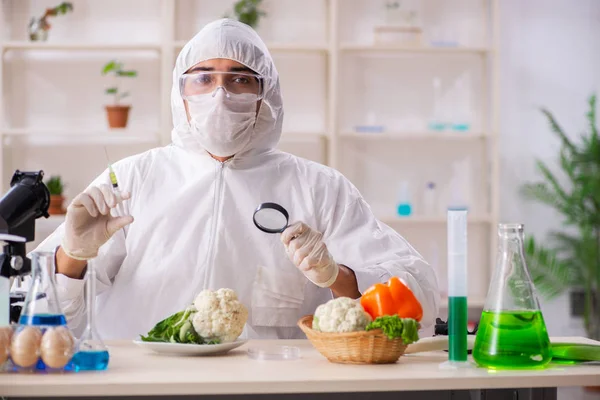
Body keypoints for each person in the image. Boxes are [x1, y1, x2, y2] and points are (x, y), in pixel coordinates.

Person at [35, 19, 439, 339]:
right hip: (145, 385)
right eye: (204, 77)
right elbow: (40, 320)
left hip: (273, 388)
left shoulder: (319, 188)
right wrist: (72, 256)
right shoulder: (131, 179)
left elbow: (417, 297)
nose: (221, 94)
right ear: (181, 94)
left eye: (240, 79)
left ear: (267, 94)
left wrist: (339, 278)